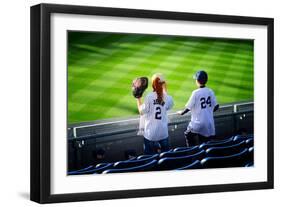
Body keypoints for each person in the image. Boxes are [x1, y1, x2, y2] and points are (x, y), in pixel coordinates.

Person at [178, 70, 219, 146]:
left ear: (197, 81)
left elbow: (188, 108)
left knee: (188, 134)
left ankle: (193, 152)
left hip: (198, 124)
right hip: (209, 123)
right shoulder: (210, 91)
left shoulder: (195, 93)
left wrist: (181, 113)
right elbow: (217, 106)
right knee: (205, 142)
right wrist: (207, 112)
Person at [136, 73, 174, 154]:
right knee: (166, 158)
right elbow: (168, 105)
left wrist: (138, 98)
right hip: (163, 134)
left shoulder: (149, 97)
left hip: (150, 135)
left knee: (149, 159)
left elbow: (141, 111)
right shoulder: (168, 98)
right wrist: (164, 89)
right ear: (164, 84)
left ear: (152, 84)